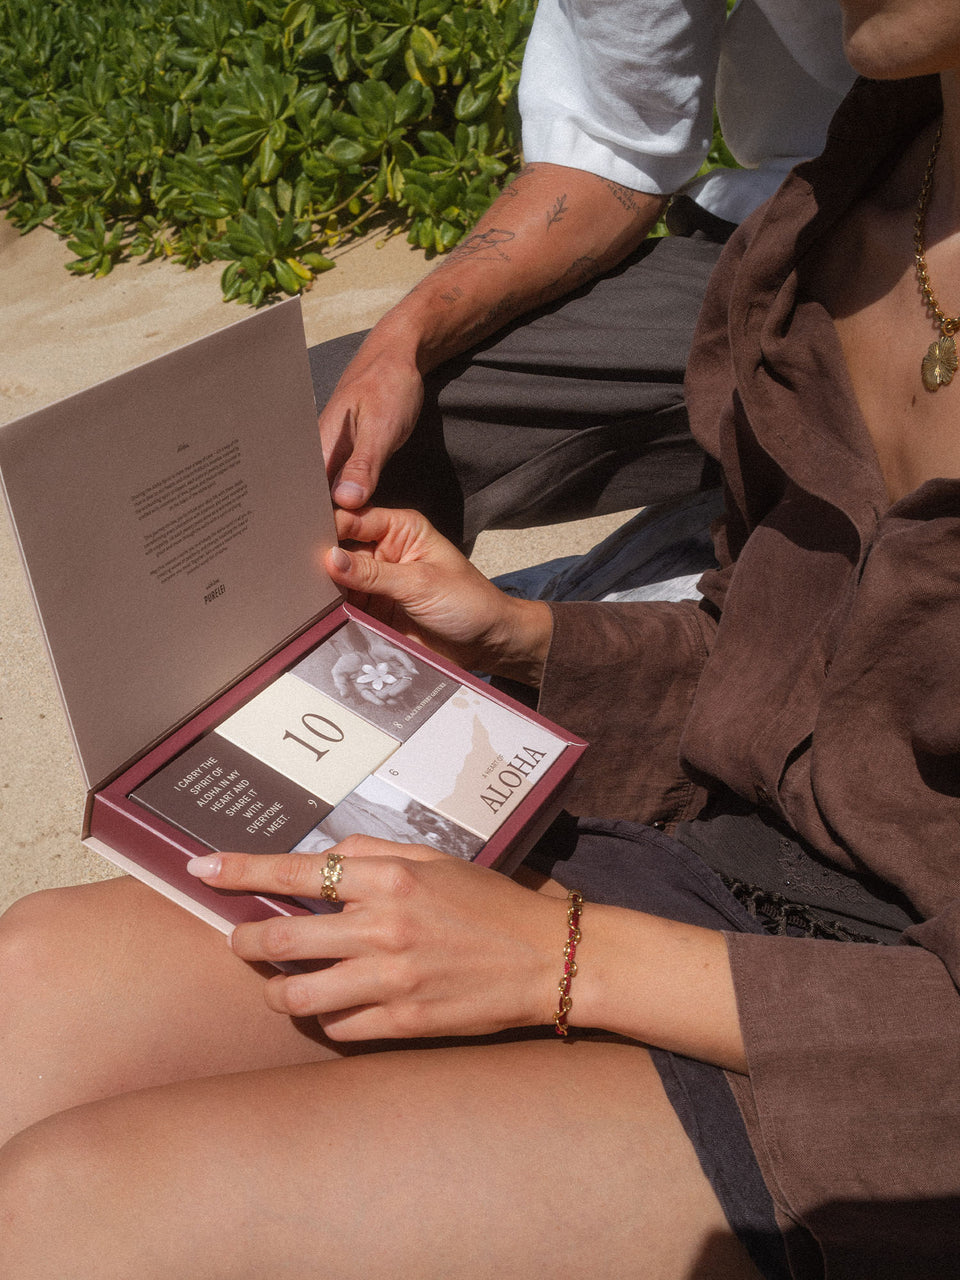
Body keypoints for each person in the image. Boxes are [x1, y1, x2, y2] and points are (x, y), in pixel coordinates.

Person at [2, 8, 960, 1278]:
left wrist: (556, 959)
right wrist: (522, 633)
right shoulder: (835, 212)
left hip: (890, 1064)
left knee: (72, 1211)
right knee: (31, 989)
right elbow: (782, 666)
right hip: (696, 871)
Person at [314, 0, 855, 545]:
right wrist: (402, 341)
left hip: (921, 253)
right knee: (309, 443)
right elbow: (614, 145)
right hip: (782, 237)